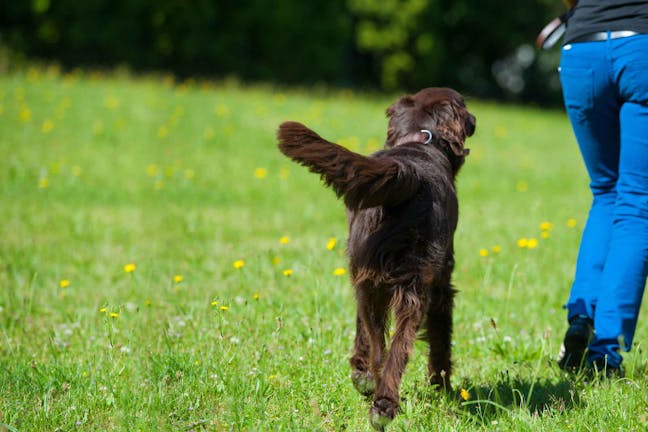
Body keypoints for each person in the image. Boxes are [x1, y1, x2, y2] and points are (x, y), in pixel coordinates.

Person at [556, 0, 648, 376]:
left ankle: (581, 317)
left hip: (583, 50)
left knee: (606, 192)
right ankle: (605, 351)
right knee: (637, 203)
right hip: (640, 49)